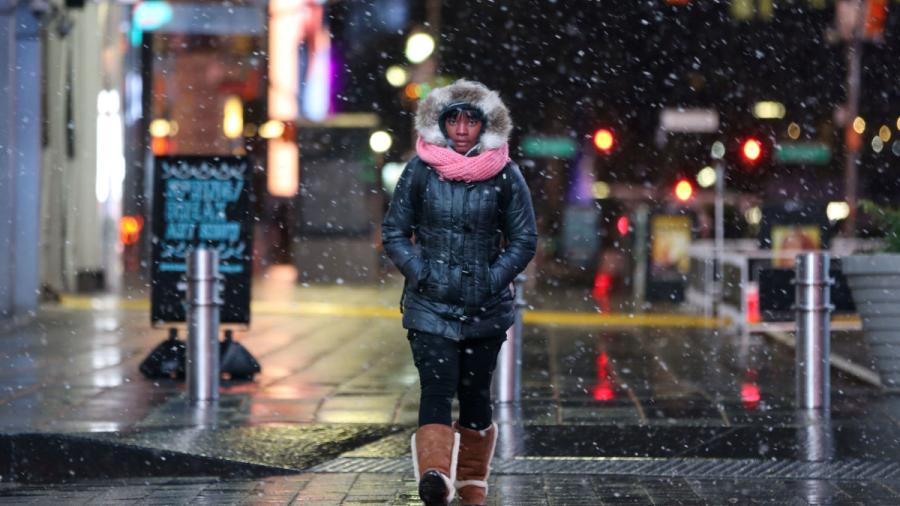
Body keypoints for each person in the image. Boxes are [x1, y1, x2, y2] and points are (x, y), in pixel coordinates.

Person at [382, 79, 537, 506]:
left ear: (485, 125)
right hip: (429, 303)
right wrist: (422, 273)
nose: (463, 128)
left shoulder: (506, 174)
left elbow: (524, 239)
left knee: (474, 395)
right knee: (436, 387)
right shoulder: (419, 169)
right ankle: (435, 477)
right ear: (441, 122)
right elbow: (395, 231)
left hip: (485, 307)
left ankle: (472, 486)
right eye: (455, 119)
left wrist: (491, 278)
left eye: (471, 119)